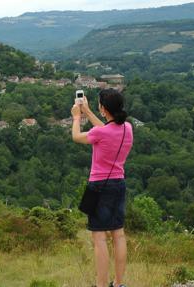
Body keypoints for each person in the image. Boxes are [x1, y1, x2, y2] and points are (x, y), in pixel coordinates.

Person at [71, 89, 134, 287]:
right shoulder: (128, 128)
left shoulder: (100, 133)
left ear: (103, 108)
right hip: (119, 184)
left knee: (99, 237)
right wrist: (88, 112)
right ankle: (118, 283)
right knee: (118, 234)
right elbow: (106, 129)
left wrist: (76, 117)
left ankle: (101, 284)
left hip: (99, 186)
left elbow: (76, 137)